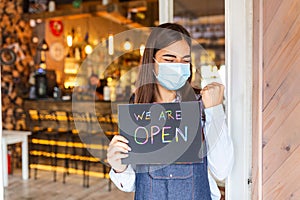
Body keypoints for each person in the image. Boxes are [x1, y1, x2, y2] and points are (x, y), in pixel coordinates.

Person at [107, 23, 234, 200]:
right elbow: (131, 184)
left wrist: (215, 110)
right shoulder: (137, 108)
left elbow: (221, 170)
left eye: (185, 60)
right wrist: (119, 166)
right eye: (169, 59)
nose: (178, 66)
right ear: (152, 62)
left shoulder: (201, 104)